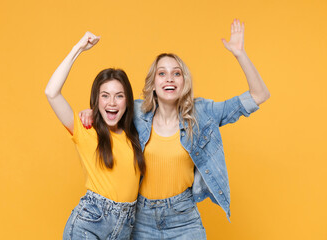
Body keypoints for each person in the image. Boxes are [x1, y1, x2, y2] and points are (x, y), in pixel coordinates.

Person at [80, 19, 270, 239]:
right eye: (162, 73)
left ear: (184, 81)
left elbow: (259, 95)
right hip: (142, 218)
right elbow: (110, 107)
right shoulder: (136, 112)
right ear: (152, 83)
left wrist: (240, 54)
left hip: (184, 218)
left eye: (176, 73)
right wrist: (92, 112)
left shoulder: (203, 113)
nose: (169, 78)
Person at [45, 32, 145, 240]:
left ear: (128, 101)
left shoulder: (136, 134)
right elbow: (51, 93)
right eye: (105, 96)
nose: (112, 103)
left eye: (119, 96)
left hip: (126, 226)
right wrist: (78, 49)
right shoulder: (86, 130)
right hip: (89, 225)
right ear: (96, 100)